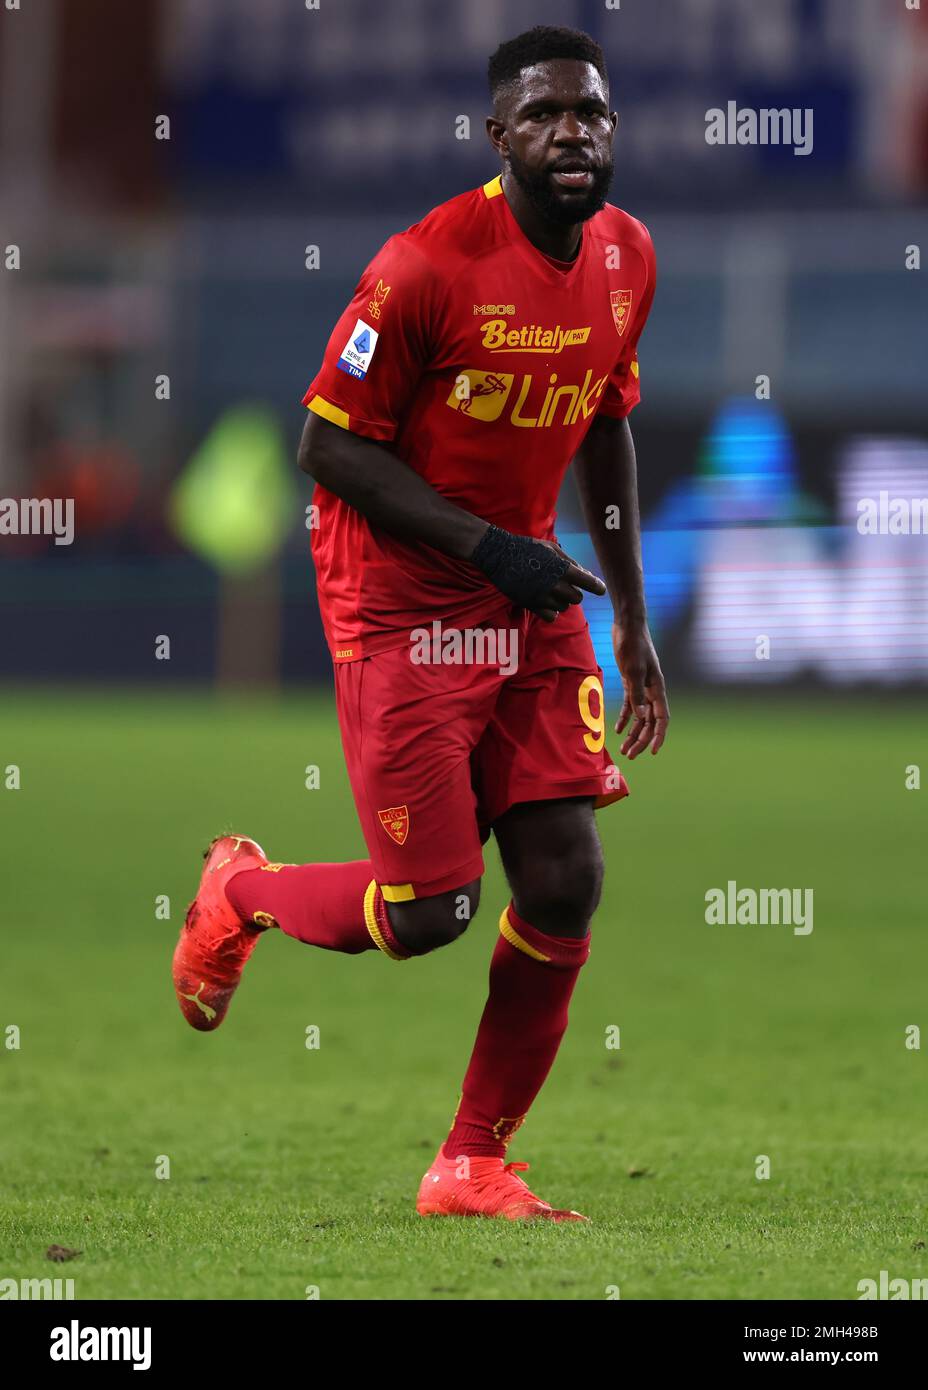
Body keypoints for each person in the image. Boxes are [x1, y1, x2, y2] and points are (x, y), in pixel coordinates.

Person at [173, 24, 669, 1222]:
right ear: (498, 135)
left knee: (562, 878)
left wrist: (635, 625)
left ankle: (470, 1162)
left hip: (529, 587)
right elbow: (324, 443)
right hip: (400, 599)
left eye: (591, 115)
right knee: (428, 914)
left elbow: (605, 424)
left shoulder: (625, 258)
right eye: (545, 114)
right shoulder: (424, 267)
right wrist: (484, 545)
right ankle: (240, 890)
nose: (572, 134)